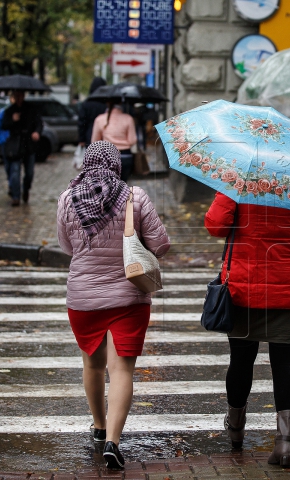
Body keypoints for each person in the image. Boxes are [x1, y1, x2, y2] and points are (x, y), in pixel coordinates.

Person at [56, 141, 170, 470]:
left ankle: (99, 425)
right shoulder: (134, 196)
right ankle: (113, 442)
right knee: (121, 370)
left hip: (83, 298)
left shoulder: (67, 198)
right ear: (116, 165)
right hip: (129, 297)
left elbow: (67, 246)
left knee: (93, 365)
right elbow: (161, 245)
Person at [204, 192, 290, 467]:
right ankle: (285, 443)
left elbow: (215, 225)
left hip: (243, 290)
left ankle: (235, 428)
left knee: (240, 361)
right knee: (286, 364)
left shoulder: (239, 181)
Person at [2, 90, 43, 206]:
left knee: (29, 172)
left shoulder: (31, 109)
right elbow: (4, 125)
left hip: (29, 144)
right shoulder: (9, 110)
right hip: (15, 145)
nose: (19, 97)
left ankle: (26, 189)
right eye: (16, 95)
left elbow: (39, 123)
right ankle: (16, 196)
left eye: (20, 95)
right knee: (14, 171)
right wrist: (12, 120)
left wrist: (37, 132)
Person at [91, 102, 137, 182]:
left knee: (108, 186)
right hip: (125, 156)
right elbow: (132, 140)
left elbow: (94, 142)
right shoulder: (128, 118)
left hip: (107, 157)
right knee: (122, 185)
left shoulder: (100, 119)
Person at [77, 77, 107, 147]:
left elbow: (82, 122)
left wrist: (81, 139)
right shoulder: (106, 104)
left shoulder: (86, 104)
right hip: (104, 134)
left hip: (89, 134)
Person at [0, 98, 13, 197]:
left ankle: (14, 187)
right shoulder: (4, 112)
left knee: (14, 168)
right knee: (9, 166)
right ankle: (12, 185)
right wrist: (2, 139)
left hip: (14, 143)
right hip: (6, 142)